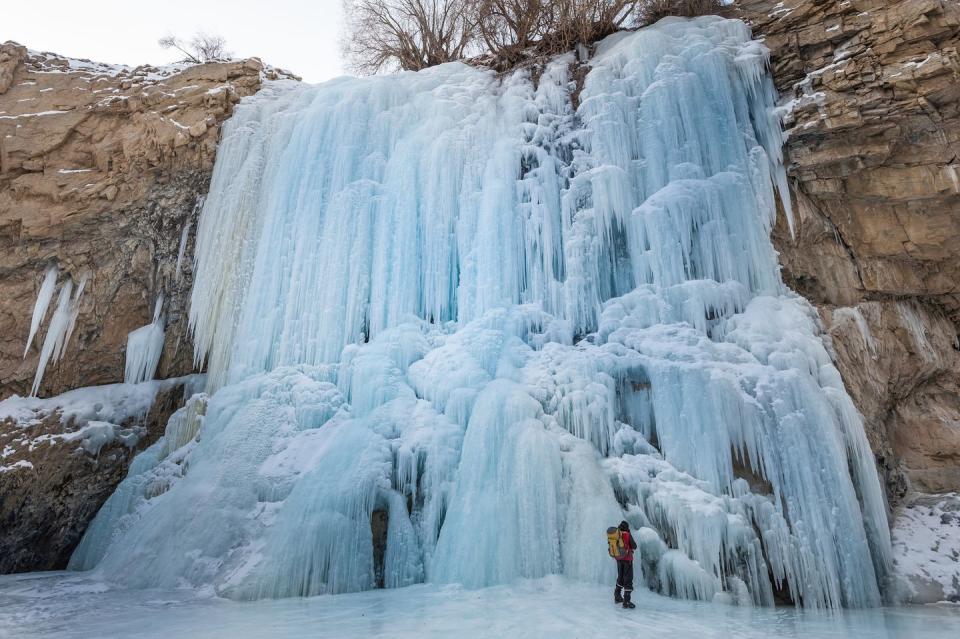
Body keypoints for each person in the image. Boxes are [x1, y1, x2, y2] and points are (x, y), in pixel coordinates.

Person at [614, 520, 637, 609]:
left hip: (619, 559)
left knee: (620, 576)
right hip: (627, 560)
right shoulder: (627, 534)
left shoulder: (617, 534)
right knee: (628, 579)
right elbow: (634, 546)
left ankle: (617, 596)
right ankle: (626, 601)